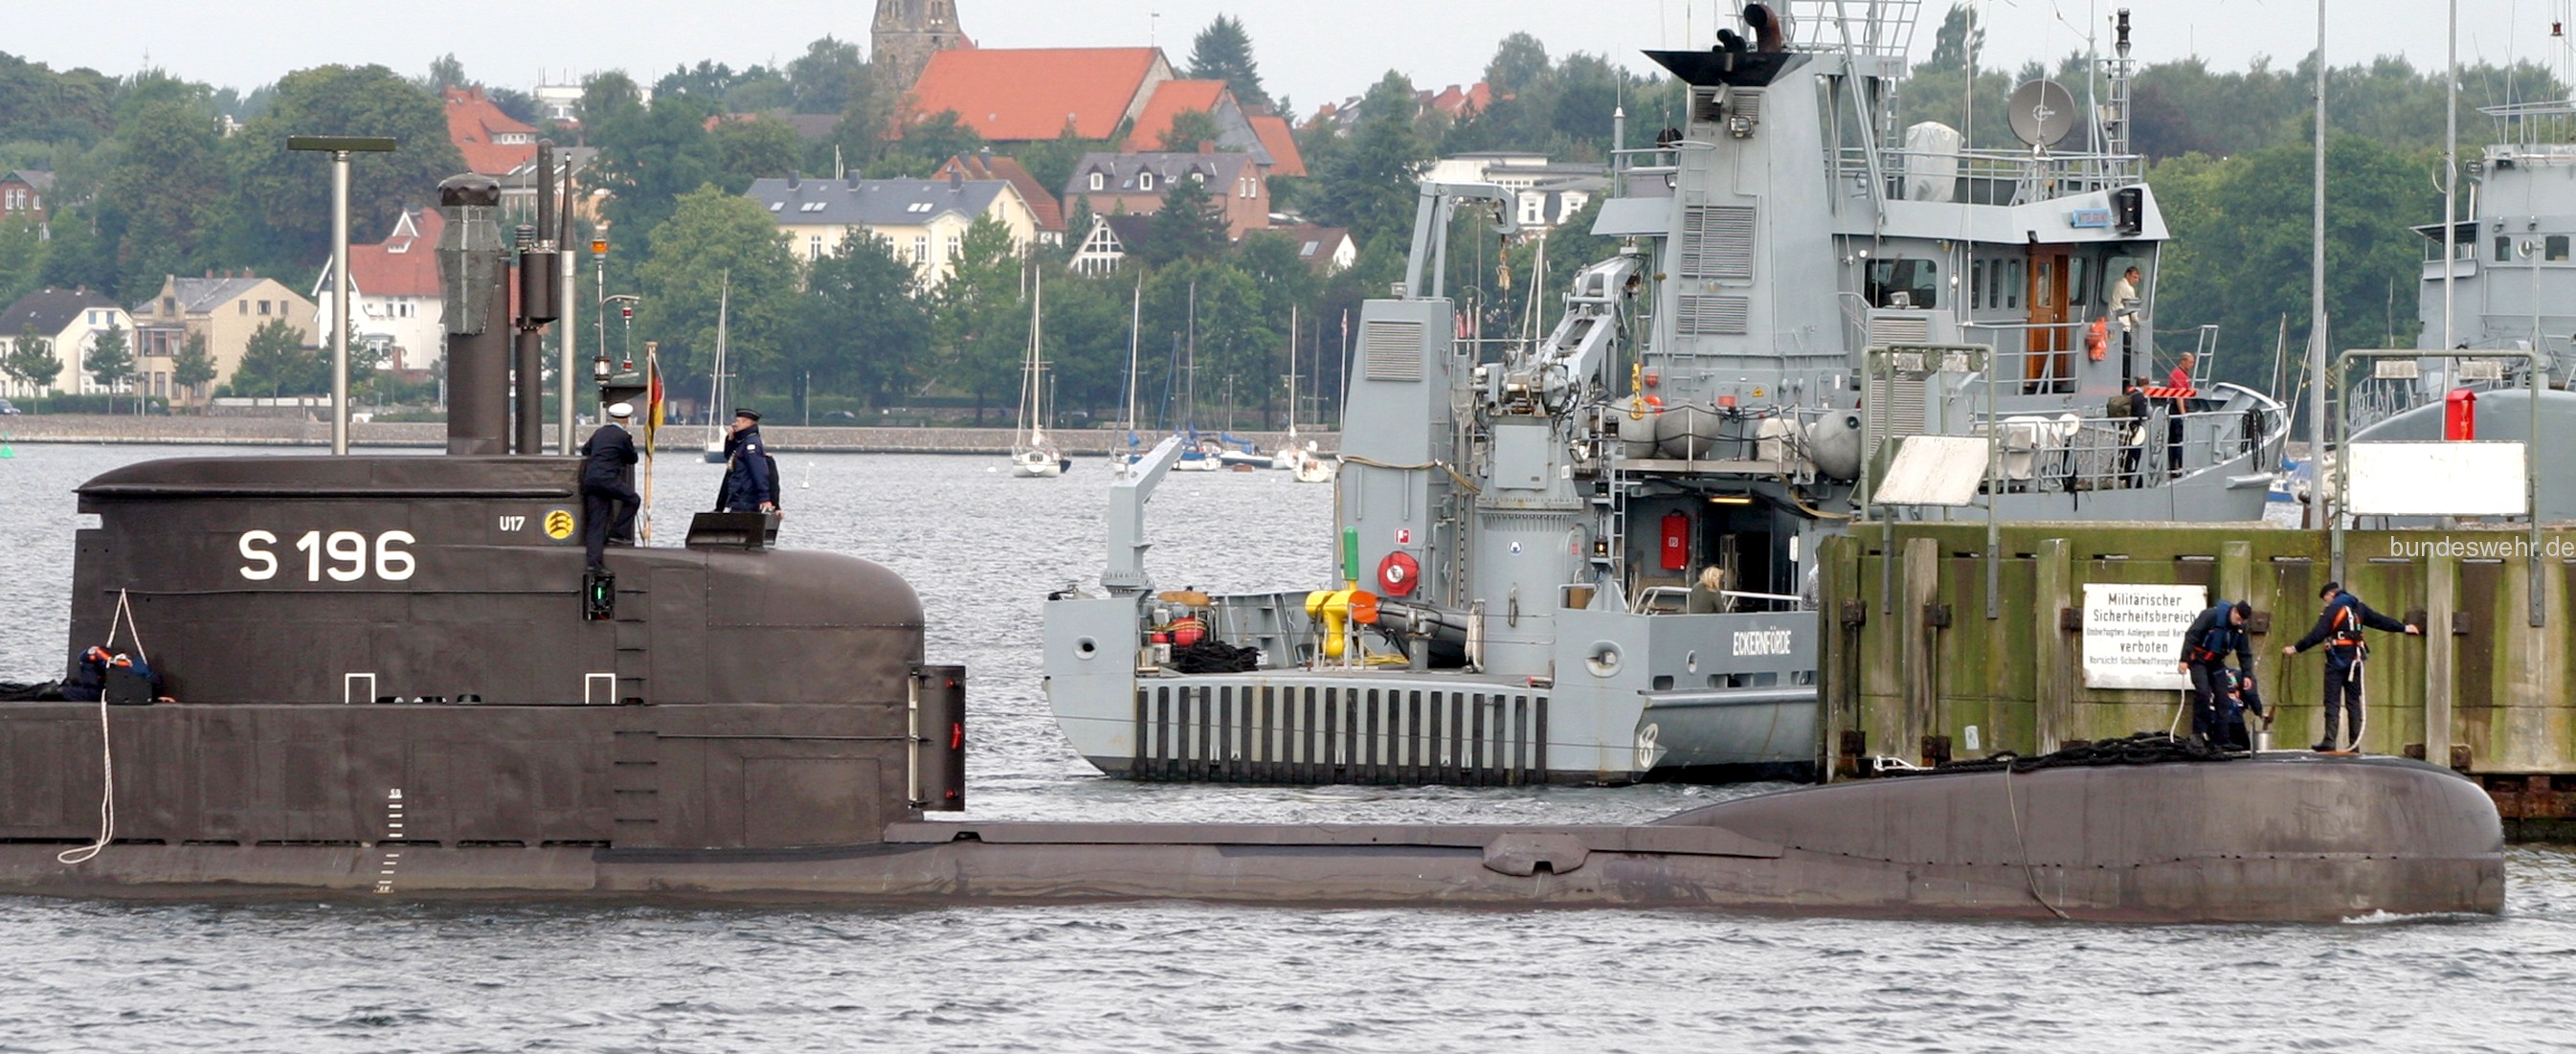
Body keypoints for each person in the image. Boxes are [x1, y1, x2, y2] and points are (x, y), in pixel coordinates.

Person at [2284, 581, 2421, 752]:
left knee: (2332, 700)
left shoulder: (2332, 610)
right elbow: (2380, 621)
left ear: (2330, 595)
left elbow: (2318, 634)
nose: (2327, 603)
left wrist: (2296, 648)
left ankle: (2329, 740)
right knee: (2353, 702)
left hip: (2336, 661)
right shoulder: (2359, 607)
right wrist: (2404, 628)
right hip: (2355, 660)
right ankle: (2354, 744)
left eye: (2326, 599)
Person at [2175, 599, 2253, 747]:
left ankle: (2222, 738)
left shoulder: (2240, 628)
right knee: (2203, 692)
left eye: (2242, 620)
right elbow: (2192, 635)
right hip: (2199, 660)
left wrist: (2248, 674)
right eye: (2238, 618)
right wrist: (2184, 659)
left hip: (2216, 662)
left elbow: (2244, 653)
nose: (2239, 622)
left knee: (2223, 698)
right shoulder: (2211, 615)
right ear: (2234, 611)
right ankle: (2197, 733)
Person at [578, 402, 641, 572]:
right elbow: (632, 458)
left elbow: (585, 450)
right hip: (607, 479)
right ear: (627, 419)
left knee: (596, 523)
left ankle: (593, 563)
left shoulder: (599, 432)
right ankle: (617, 533)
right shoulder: (623, 436)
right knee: (633, 499)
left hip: (591, 480)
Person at [715, 408, 778, 515]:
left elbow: (759, 471)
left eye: (738, 421)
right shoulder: (742, 442)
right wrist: (730, 440)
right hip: (738, 498)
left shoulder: (751, 444)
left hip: (746, 499)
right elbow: (730, 458)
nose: (734, 424)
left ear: (747, 423)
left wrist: (764, 498)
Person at [2108, 265, 2143, 373]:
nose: (2136, 280)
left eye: (2138, 278)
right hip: (2123, 325)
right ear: (2127, 275)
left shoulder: (2116, 284)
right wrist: (2137, 321)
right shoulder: (2128, 288)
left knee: (2114, 352)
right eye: (2134, 277)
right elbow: (2131, 310)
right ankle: (2125, 377)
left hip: (2112, 322)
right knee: (2126, 354)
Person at [2165, 352, 2196, 475]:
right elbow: (2179, 396)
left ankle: (2175, 467)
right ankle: (2177, 467)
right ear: (2183, 361)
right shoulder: (2179, 375)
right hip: (2176, 412)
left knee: (2174, 441)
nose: (2192, 365)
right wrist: (2183, 414)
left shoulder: (2179, 374)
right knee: (2177, 441)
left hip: (2174, 411)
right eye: (2190, 362)